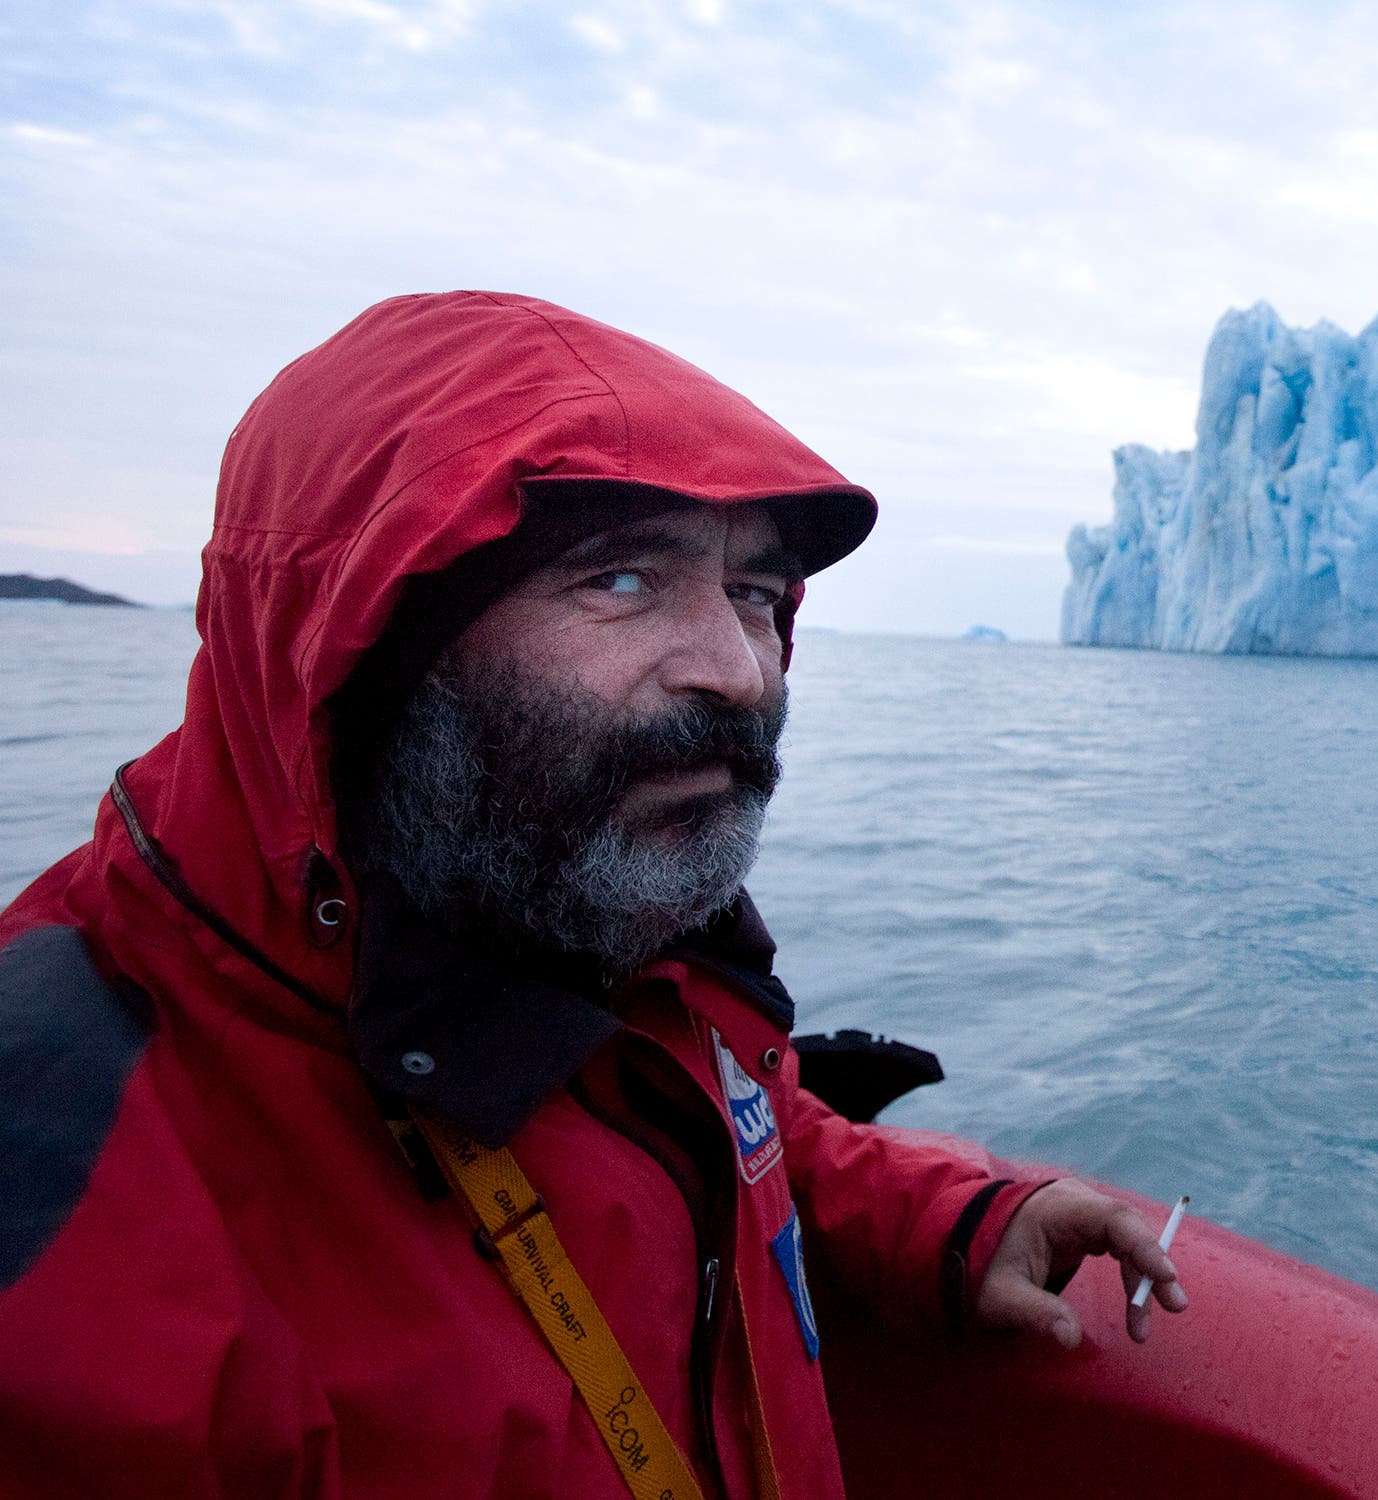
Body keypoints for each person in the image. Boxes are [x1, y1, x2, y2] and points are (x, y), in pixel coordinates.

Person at [0, 292, 1185, 1499]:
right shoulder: (74, 1193)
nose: (737, 670)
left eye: (757, 597)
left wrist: (942, 1224)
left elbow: (695, 1137)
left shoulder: (579, 922)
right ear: (365, 644)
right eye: (618, 580)